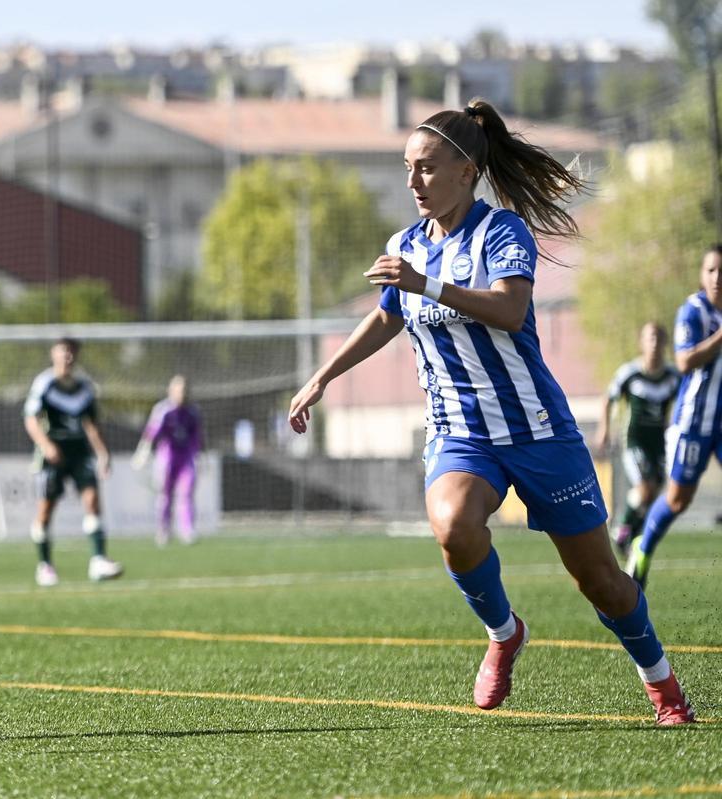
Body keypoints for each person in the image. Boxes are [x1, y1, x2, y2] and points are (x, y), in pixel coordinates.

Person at [286, 100, 694, 725]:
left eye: (425, 168)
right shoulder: (407, 244)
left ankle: (661, 684)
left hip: (540, 433)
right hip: (460, 435)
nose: (413, 183)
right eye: (406, 169)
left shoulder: (502, 233)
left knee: (601, 584)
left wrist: (424, 284)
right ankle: (504, 633)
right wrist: (322, 376)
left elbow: (508, 311)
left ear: (467, 169)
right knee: (452, 526)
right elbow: (388, 315)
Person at [628, 246, 722, 590]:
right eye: (711, 270)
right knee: (678, 500)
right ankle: (642, 546)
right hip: (694, 423)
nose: (717, 278)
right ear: (702, 275)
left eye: (721, 271)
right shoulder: (693, 312)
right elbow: (684, 362)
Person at [24, 337, 123, 587]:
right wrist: (46, 446)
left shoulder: (85, 387)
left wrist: (102, 452)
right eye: (62, 352)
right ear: (53, 354)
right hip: (53, 452)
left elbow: (92, 424)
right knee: (45, 512)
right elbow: (31, 419)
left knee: (92, 501)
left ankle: (98, 560)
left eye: (71, 352)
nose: (67, 357)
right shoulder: (45, 383)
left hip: (79, 451)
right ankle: (44, 565)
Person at [593, 323, 679, 557]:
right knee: (644, 488)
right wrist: (604, 429)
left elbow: (683, 403)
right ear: (641, 342)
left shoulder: (673, 376)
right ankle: (621, 530)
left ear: (665, 343)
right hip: (635, 441)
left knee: (653, 495)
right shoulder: (629, 373)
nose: (654, 343)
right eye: (650, 338)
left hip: (659, 442)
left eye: (659, 338)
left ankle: (631, 537)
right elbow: (608, 398)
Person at [132, 375, 203, 546]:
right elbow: (152, 433)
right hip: (167, 457)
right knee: (165, 495)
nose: (182, 394)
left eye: (184, 390)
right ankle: (163, 530)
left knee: (186, 493)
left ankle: (187, 530)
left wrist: (199, 455)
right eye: (178, 390)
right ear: (170, 391)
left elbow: (197, 436)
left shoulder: (193, 411)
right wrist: (143, 451)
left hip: (185, 457)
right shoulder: (163, 410)